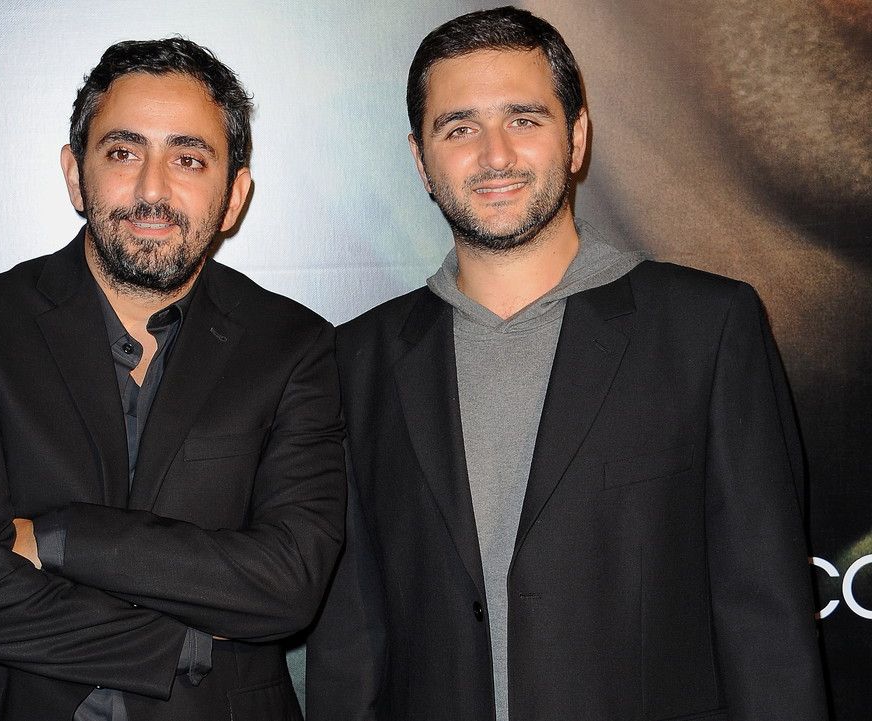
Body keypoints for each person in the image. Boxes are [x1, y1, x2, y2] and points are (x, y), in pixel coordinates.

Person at [306, 7, 826, 721]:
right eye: (458, 128)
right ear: (421, 160)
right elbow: (350, 641)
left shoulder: (708, 329)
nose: (494, 155)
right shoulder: (357, 360)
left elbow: (766, 621)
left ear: (577, 137)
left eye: (524, 120)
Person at [0, 37, 344, 721]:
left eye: (188, 159)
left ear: (234, 196)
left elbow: (288, 586)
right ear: (75, 175)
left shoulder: (293, 346)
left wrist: (59, 538)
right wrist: (185, 642)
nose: (152, 190)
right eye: (122, 153)